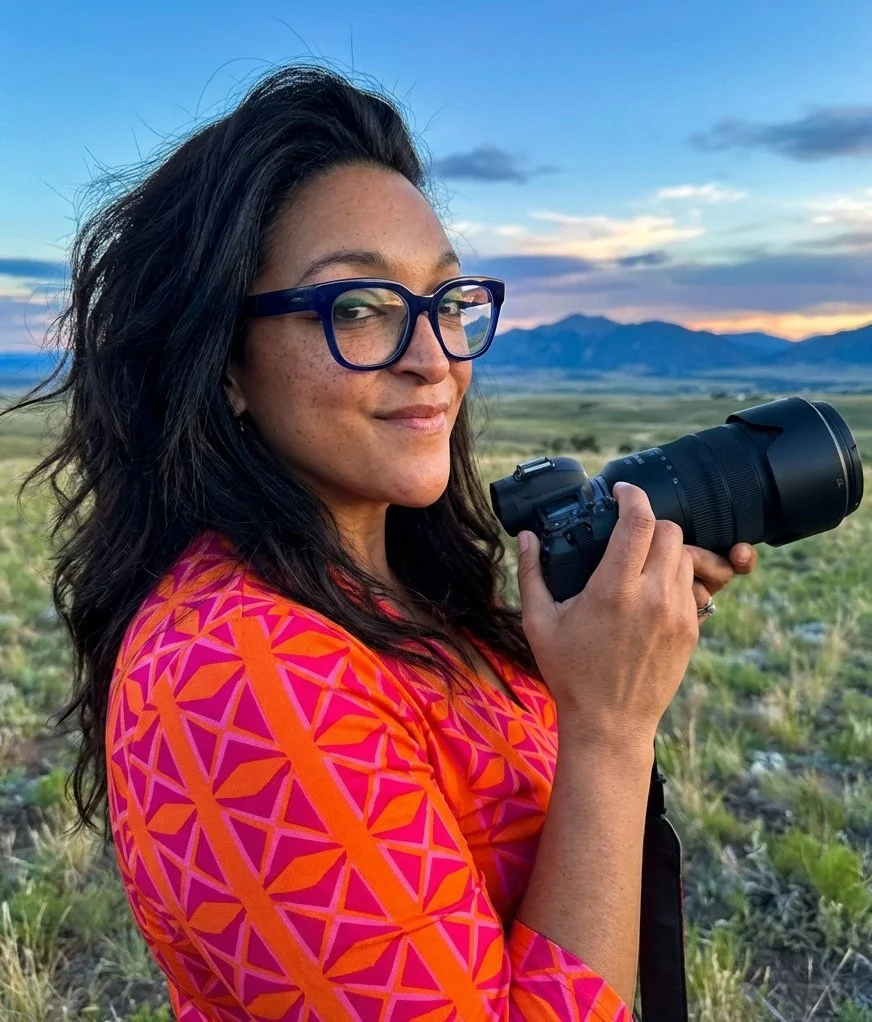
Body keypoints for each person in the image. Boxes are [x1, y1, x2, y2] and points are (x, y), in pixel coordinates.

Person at [5, 63, 757, 1021]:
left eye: (446, 302)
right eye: (356, 307)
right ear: (225, 363)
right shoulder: (238, 672)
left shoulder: (382, 593)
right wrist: (611, 732)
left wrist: (614, 653)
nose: (433, 358)